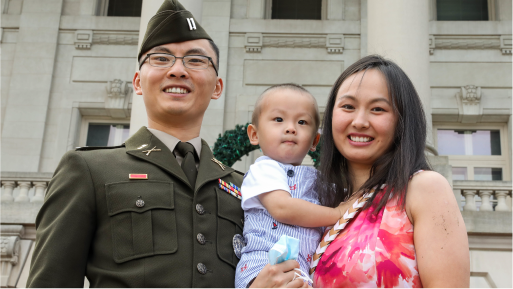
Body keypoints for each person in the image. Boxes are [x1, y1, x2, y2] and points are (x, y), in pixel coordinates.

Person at [27, 1, 246, 288]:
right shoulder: (90, 170)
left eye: (195, 60)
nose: (178, 70)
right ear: (138, 82)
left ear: (217, 86)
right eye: (161, 58)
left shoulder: (242, 189)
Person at [310, 55, 470, 288]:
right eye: (348, 106)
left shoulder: (423, 188)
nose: (360, 121)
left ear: (401, 121)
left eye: (377, 109)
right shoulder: (324, 203)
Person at [235, 84, 345, 289]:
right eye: (278, 119)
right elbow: (282, 208)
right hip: (263, 264)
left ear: (314, 140)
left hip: (302, 267)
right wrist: (339, 213)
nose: (291, 128)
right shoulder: (263, 170)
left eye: (302, 122)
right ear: (254, 134)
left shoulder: (317, 179)